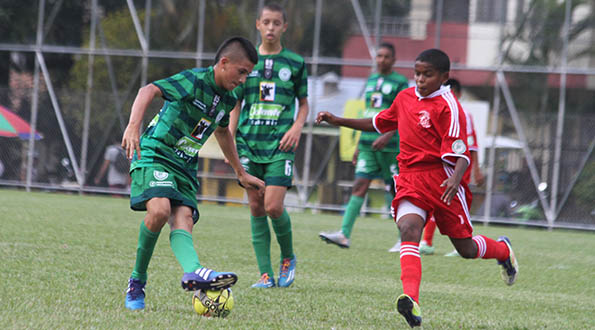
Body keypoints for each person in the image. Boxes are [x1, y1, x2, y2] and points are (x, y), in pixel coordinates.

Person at [316, 48, 518, 328]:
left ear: (444, 77)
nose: (420, 79)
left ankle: (503, 251)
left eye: (428, 74)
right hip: (411, 177)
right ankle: (412, 301)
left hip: (443, 181)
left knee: (466, 248)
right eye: (418, 73)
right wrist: (337, 120)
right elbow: (378, 122)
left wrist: (456, 178)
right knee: (409, 229)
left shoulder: (450, 106)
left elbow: (462, 153)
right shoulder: (405, 98)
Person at [120, 36, 265, 311]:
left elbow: (223, 132)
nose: (244, 79)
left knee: (183, 218)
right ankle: (137, 280)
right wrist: (133, 126)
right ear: (224, 63)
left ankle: (193, 272)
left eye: (248, 74)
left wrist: (240, 173)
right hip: (156, 152)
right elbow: (147, 90)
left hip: (185, 164)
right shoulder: (194, 81)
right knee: (160, 210)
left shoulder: (229, 100)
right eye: (242, 71)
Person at [228, 2, 308, 289]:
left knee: (274, 206)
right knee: (255, 206)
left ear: (284, 27)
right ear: (258, 25)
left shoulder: (295, 63)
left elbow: (304, 104)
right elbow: (236, 103)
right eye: (267, 22)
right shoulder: (247, 63)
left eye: (277, 23)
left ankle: (287, 257)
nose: (271, 28)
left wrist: (297, 127)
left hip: (280, 145)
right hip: (248, 143)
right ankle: (265, 274)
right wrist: (231, 142)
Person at [318, 42, 408, 249]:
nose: (381, 60)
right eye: (379, 56)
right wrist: (359, 144)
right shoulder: (371, 80)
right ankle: (344, 234)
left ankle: (405, 238)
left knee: (393, 190)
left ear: (393, 60)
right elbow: (366, 113)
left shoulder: (400, 82)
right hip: (368, 144)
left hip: (390, 146)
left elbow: (403, 113)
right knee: (359, 185)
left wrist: (387, 134)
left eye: (386, 56)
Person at [418, 78, 486, 256]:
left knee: (454, 204)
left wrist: (476, 170)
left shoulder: (463, 114)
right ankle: (427, 241)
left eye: (453, 93)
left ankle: (464, 240)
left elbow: (471, 146)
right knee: (436, 201)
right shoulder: (434, 110)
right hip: (439, 167)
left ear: (459, 95)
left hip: (458, 169)